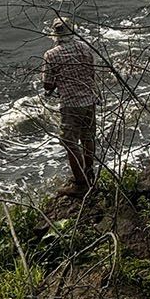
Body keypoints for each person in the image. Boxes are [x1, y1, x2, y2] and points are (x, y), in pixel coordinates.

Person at [42, 17, 97, 194]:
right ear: (71, 31)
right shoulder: (85, 47)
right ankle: (89, 172)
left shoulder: (51, 55)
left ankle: (80, 183)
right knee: (88, 137)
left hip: (70, 104)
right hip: (89, 99)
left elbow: (48, 85)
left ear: (55, 35)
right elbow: (91, 73)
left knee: (70, 143)